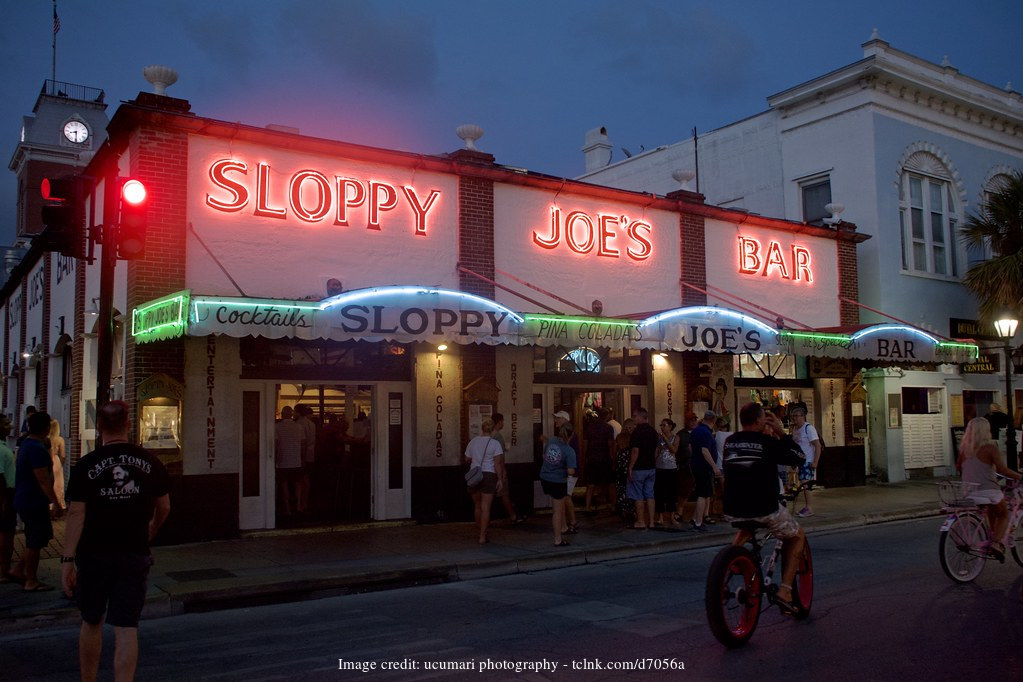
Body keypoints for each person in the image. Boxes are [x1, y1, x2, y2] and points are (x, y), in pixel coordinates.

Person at [61, 400, 171, 682]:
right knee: (126, 627)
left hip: (94, 554)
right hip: (133, 552)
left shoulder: (86, 465)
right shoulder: (149, 462)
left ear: (99, 427)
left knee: (91, 620)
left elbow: (76, 513)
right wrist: (151, 529)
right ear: (129, 424)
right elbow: (165, 507)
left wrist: (67, 560)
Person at [722, 402, 807, 613]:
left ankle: (732, 561)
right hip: (764, 507)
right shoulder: (767, 442)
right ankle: (786, 591)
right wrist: (780, 431)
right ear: (760, 421)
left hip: (733, 508)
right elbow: (800, 458)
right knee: (797, 536)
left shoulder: (730, 442)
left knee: (747, 524)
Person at [957, 416, 1021, 561]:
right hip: (988, 490)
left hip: (970, 492)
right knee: (1004, 514)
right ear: (986, 431)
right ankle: (997, 543)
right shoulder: (990, 448)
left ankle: (992, 535)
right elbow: (1003, 470)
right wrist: (1020, 477)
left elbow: (960, 468)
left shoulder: (963, 450)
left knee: (993, 509)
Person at [10, 411, 59, 591]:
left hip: (25, 498)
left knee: (36, 537)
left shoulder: (26, 445)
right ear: (46, 428)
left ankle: (18, 569)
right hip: (33, 500)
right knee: (35, 540)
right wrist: (54, 501)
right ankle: (31, 580)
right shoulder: (36, 449)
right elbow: (43, 479)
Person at [464, 418, 505, 544]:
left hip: (475, 475)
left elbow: (467, 459)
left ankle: (478, 528)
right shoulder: (495, 444)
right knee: (486, 507)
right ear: (492, 430)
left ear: (482, 429)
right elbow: (498, 463)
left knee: (477, 506)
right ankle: (483, 536)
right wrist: (500, 479)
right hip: (489, 475)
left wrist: (476, 459)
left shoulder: (473, 442)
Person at [540, 423, 577, 546]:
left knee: (557, 506)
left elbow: (544, 456)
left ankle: (563, 527)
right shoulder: (569, 450)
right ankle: (558, 539)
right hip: (558, 480)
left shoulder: (551, 441)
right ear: (571, 435)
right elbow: (571, 471)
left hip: (545, 477)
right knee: (557, 510)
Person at [689, 410, 722, 532]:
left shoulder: (696, 431)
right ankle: (698, 522)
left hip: (696, 465)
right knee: (703, 494)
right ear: (713, 421)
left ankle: (694, 518)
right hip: (704, 467)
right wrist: (714, 466)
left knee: (701, 493)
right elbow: (705, 450)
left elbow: (690, 448)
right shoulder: (706, 433)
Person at [627, 407, 659, 529]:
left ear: (641, 417)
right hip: (651, 467)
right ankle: (651, 521)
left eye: (635, 416)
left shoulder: (637, 432)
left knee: (638, 495)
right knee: (650, 494)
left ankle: (641, 521)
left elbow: (635, 451)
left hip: (639, 467)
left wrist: (630, 466)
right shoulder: (653, 431)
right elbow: (656, 450)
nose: (633, 418)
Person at [491, 413, 525, 524]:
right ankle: (513, 516)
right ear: (499, 422)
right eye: (503, 421)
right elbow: (500, 457)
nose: (503, 424)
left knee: (488, 496)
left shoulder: (487, 436)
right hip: (498, 468)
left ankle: (484, 518)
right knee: (504, 494)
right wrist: (503, 471)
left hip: (487, 469)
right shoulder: (498, 437)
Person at [789, 406, 822, 517]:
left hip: (808, 460)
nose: (795, 418)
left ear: (803, 416)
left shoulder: (809, 428)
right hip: (799, 461)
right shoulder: (795, 429)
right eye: (793, 416)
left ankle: (809, 508)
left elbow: (817, 446)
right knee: (802, 484)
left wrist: (815, 462)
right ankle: (806, 507)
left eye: (797, 416)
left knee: (806, 484)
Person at [274, 406, 305, 518]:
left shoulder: (277, 427)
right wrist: (302, 458)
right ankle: (298, 506)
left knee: (284, 485)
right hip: (296, 460)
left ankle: (287, 509)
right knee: (298, 484)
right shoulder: (299, 427)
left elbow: (276, 445)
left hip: (283, 461)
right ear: (292, 415)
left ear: (282, 414)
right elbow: (303, 445)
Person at [551, 411, 579, 534]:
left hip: (568, 471)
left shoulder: (569, 435)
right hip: (566, 470)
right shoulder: (565, 435)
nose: (555, 420)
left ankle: (572, 522)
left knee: (566, 496)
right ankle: (568, 522)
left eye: (557, 418)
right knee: (565, 496)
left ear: (564, 419)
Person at [583, 408, 616, 511]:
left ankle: (587, 507)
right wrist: (613, 458)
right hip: (605, 458)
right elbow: (610, 444)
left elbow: (585, 444)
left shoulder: (589, 427)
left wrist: (585, 457)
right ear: (606, 416)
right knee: (611, 483)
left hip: (592, 458)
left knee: (591, 484)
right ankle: (613, 506)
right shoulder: (608, 428)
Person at [654, 418, 681, 527]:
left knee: (671, 493)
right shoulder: (658, 438)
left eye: (664, 425)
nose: (662, 427)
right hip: (660, 467)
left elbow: (673, 450)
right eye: (661, 425)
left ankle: (672, 516)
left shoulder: (676, 437)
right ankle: (660, 517)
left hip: (671, 468)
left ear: (670, 426)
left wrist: (665, 439)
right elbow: (657, 452)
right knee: (659, 493)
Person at [294, 405, 317, 515]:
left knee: (298, 480)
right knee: (307, 479)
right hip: (310, 454)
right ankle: (305, 502)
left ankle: (299, 504)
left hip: (300, 455)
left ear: (298, 412)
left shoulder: (297, 425)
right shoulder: (312, 424)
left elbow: (300, 443)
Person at [0, 417, 15, 582]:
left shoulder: (5, 448)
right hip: (5, 495)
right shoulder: (1, 450)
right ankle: (3, 570)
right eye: (5, 424)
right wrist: (3, 501)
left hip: (7, 494)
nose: (10, 426)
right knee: (5, 534)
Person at [675, 414, 697, 523]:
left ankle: (699, 515)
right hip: (685, 466)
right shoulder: (681, 434)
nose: (693, 423)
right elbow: (677, 450)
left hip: (697, 465)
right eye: (691, 421)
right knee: (684, 491)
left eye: (694, 420)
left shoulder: (698, 433)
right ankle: (679, 512)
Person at [614, 418, 636, 521]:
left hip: (621, 465)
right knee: (629, 488)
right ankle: (629, 510)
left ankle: (623, 508)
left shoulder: (619, 438)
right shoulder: (633, 439)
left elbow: (615, 450)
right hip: (627, 464)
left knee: (621, 488)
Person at [49, 418, 67, 518]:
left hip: (48, 460)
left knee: (50, 483)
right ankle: (59, 505)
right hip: (56, 461)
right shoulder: (60, 440)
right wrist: (61, 464)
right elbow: (63, 455)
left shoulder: (46, 439)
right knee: (58, 485)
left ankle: (50, 505)